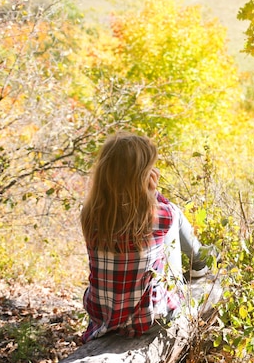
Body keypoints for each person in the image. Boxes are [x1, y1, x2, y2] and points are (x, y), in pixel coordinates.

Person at [79, 131, 215, 343]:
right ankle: (201, 261)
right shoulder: (162, 215)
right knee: (176, 213)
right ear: (141, 176)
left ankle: (200, 259)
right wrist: (154, 194)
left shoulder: (89, 215)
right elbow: (167, 210)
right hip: (147, 319)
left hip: (102, 315)